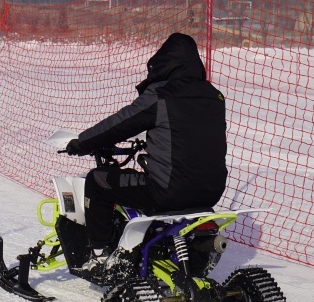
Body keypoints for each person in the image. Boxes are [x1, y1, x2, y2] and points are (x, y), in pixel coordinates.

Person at [65, 33, 228, 276]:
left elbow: (120, 123)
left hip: (169, 190)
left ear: (165, 63)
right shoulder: (214, 96)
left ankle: (99, 255)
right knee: (145, 181)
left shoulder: (163, 95)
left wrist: (82, 142)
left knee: (98, 180)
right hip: (211, 191)